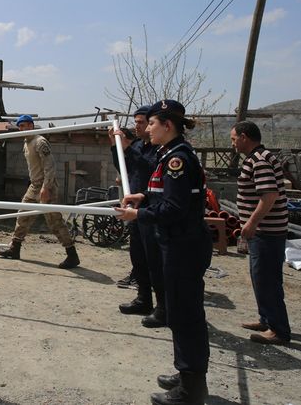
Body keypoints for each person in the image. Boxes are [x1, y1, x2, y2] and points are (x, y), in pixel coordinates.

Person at [115, 100, 211, 405]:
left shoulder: (177, 159)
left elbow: (174, 208)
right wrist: (143, 196)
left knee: (185, 316)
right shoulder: (169, 154)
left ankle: (191, 389)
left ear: (167, 125)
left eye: (152, 123)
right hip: (178, 243)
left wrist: (138, 215)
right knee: (182, 312)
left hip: (183, 245)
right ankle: (187, 375)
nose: (148, 129)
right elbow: (167, 195)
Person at [230, 121, 291, 345]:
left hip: (267, 231)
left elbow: (269, 196)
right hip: (264, 231)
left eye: (234, 139)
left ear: (245, 137)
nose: (233, 144)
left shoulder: (260, 160)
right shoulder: (259, 158)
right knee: (261, 278)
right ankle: (267, 319)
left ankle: (279, 330)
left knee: (266, 280)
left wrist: (252, 223)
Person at [0, 115, 79, 269]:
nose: (22, 129)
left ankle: (72, 254)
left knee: (54, 221)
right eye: (20, 126)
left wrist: (46, 188)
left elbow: (50, 165)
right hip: (34, 185)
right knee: (23, 215)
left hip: (46, 186)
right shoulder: (26, 143)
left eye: (25, 126)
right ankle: (15, 249)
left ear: (31, 126)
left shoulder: (40, 142)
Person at [110, 106, 166, 328]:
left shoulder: (159, 149)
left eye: (143, 122)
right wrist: (115, 147)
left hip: (152, 211)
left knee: (155, 261)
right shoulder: (139, 146)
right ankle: (143, 299)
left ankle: (163, 308)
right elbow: (124, 166)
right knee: (139, 258)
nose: (139, 126)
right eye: (138, 122)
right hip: (136, 210)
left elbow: (150, 167)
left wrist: (127, 147)